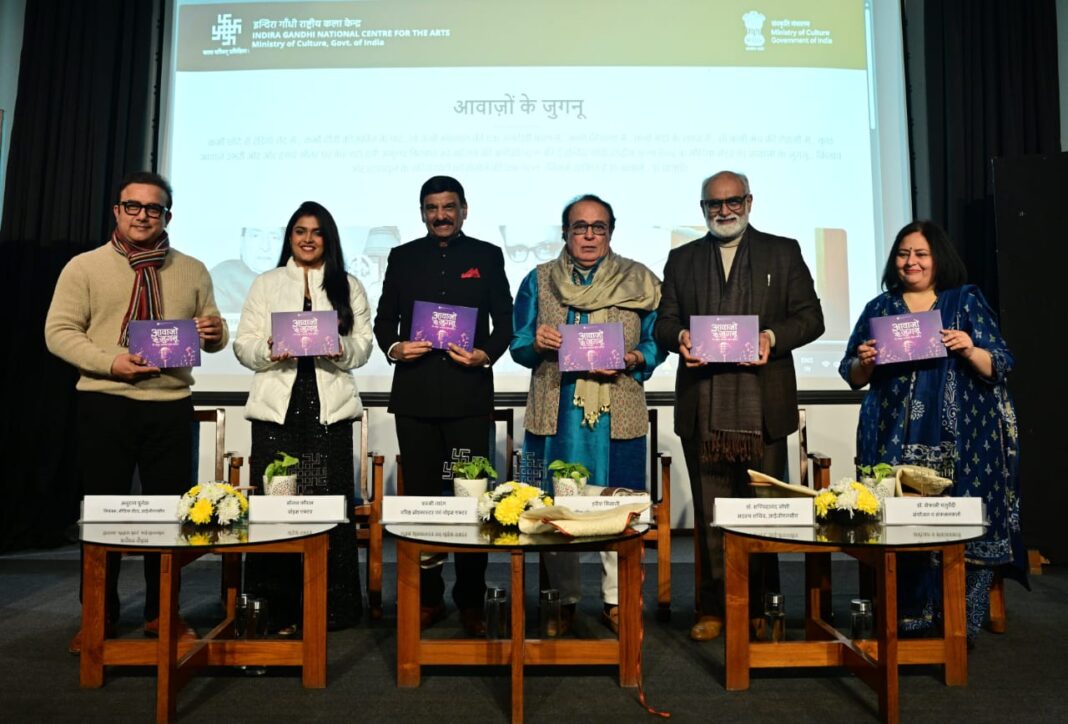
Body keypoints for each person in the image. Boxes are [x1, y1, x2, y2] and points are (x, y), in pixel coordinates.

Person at [44, 171, 228, 653]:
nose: (143, 215)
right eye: (134, 206)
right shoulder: (83, 267)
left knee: (172, 518)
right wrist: (110, 361)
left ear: (168, 215)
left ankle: (161, 613)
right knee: (103, 515)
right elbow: (59, 331)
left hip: (169, 405)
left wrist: (214, 333)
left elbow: (214, 328)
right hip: (105, 402)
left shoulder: (193, 268)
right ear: (117, 211)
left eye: (155, 209)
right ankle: (98, 617)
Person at [654, 170, 824, 642]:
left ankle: (761, 607)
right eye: (714, 204)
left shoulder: (781, 251)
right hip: (701, 409)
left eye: (732, 202)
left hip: (763, 410)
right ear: (702, 208)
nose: (723, 211)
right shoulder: (682, 259)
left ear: (749, 201)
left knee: (761, 513)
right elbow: (662, 323)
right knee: (712, 513)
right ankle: (712, 608)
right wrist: (680, 337)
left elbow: (811, 317)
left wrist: (772, 337)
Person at [838, 219, 1025, 642]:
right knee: (898, 523)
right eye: (904, 254)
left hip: (964, 443)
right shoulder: (879, 308)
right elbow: (851, 373)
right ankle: (906, 615)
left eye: (921, 254)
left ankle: (958, 622)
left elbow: (1001, 363)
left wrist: (969, 347)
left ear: (938, 258)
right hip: (892, 437)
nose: (911, 262)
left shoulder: (965, 301)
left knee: (959, 526)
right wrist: (865, 361)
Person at [510, 194, 664, 633]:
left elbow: (658, 343)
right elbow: (518, 345)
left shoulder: (641, 280)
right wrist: (536, 341)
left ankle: (618, 600)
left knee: (622, 504)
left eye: (598, 227)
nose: (589, 235)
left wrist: (633, 357)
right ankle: (561, 600)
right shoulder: (537, 281)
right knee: (552, 508)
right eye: (580, 227)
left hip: (620, 411)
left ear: (611, 232)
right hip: (554, 411)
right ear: (565, 232)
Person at [373, 175, 513, 635]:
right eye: (431, 208)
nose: (440, 215)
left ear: (464, 209)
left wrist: (484, 353)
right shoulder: (403, 256)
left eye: (449, 207)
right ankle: (427, 596)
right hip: (414, 395)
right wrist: (395, 347)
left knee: (472, 499)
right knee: (423, 500)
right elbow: (384, 320)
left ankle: (471, 596)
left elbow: (506, 322)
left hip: (470, 395)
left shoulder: (487, 256)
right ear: (422, 213)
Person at [234, 201, 373, 632]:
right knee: (277, 510)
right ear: (289, 238)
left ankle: (334, 607)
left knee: (328, 508)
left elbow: (364, 345)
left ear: (327, 239)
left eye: (316, 232)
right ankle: (277, 608)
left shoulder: (348, 284)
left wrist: (341, 349)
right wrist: (269, 348)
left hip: (328, 411)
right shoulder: (266, 283)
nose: (308, 239)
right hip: (278, 411)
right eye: (299, 231)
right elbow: (243, 346)